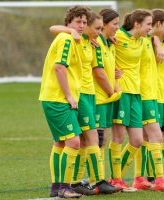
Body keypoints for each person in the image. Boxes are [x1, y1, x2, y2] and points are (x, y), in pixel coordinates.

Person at [49, 10, 118, 195]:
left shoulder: (91, 42)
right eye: (96, 28)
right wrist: (71, 31)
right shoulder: (71, 38)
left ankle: (76, 181)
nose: (99, 31)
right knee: (87, 139)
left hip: (85, 94)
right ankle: (95, 180)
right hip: (79, 94)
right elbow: (53, 28)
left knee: (81, 140)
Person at [39, 6, 88, 198]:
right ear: (69, 23)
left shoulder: (72, 38)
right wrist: (68, 95)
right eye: (78, 22)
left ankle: (57, 188)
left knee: (60, 143)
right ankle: (65, 187)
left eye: (84, 22)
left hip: (57, 98)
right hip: (58, 99)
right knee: (74, 141)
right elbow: (59, 67)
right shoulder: (67, 38)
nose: (82, 25)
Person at [132, 8, 164, 192]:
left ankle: (138, 178)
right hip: (144, 94)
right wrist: (156, 41)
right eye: (148, 25)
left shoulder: (155, 41)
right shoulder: (144, 39)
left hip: (152, 94)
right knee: (155, 136)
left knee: (144, 138)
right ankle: (159, 180)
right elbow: (147, 34)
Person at [107, 9, 152, 192]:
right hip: (121, 91)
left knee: (137, 140)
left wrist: (156, 42)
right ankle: (116, 179)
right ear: (137, 24)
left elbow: (160, 35)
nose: (150, 27)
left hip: (136, 93)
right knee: (117, 137)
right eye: (148, 24)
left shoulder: (142, 40)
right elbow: (100, 39)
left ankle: (117, 178)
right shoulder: (118, 36)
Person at [91, 7, 121, 189]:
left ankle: (100, 179)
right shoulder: (96, 43)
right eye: (114, 24)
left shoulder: (109, 43)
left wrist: (116, 74)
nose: (117, 27)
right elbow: (99, 72)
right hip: (99, 98)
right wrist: (111, 91)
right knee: (97, 140)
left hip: (107, 99)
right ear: (103, 25)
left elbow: (108, 70)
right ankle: (96, 180)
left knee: (102, 140)